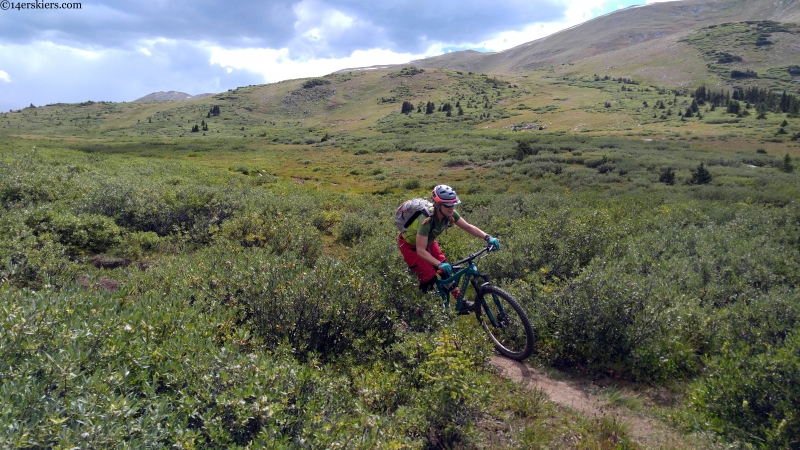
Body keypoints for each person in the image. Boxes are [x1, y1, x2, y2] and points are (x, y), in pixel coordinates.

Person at [397, 184, 500, 313]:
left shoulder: (449, 214)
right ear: (438, 205)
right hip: (410, 246)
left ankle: (460, 302)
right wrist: (438, 264)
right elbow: (420, 250)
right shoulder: (426, 219)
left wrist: (488, 237)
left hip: (427, 242)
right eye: (447, 205)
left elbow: (468, 227)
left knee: (445, 270)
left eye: (453, 204)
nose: (451, 208)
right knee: (428, 276)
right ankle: (422, 312)